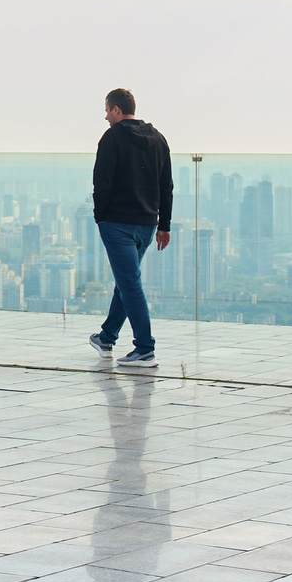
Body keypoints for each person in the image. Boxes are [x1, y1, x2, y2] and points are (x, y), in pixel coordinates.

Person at [88, 87, 172, 370]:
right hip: (147, 224)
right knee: (126, 281)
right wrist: (164, 225)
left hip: (118, 224)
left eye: (107, 111)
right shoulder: (158, 139)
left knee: (130, 284)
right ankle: (106, 338)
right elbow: (166, 186)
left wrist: (101, 217)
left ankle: (145, 349)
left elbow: (101, 182)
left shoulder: (112, 138)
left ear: (116, 109)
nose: (106, 117)